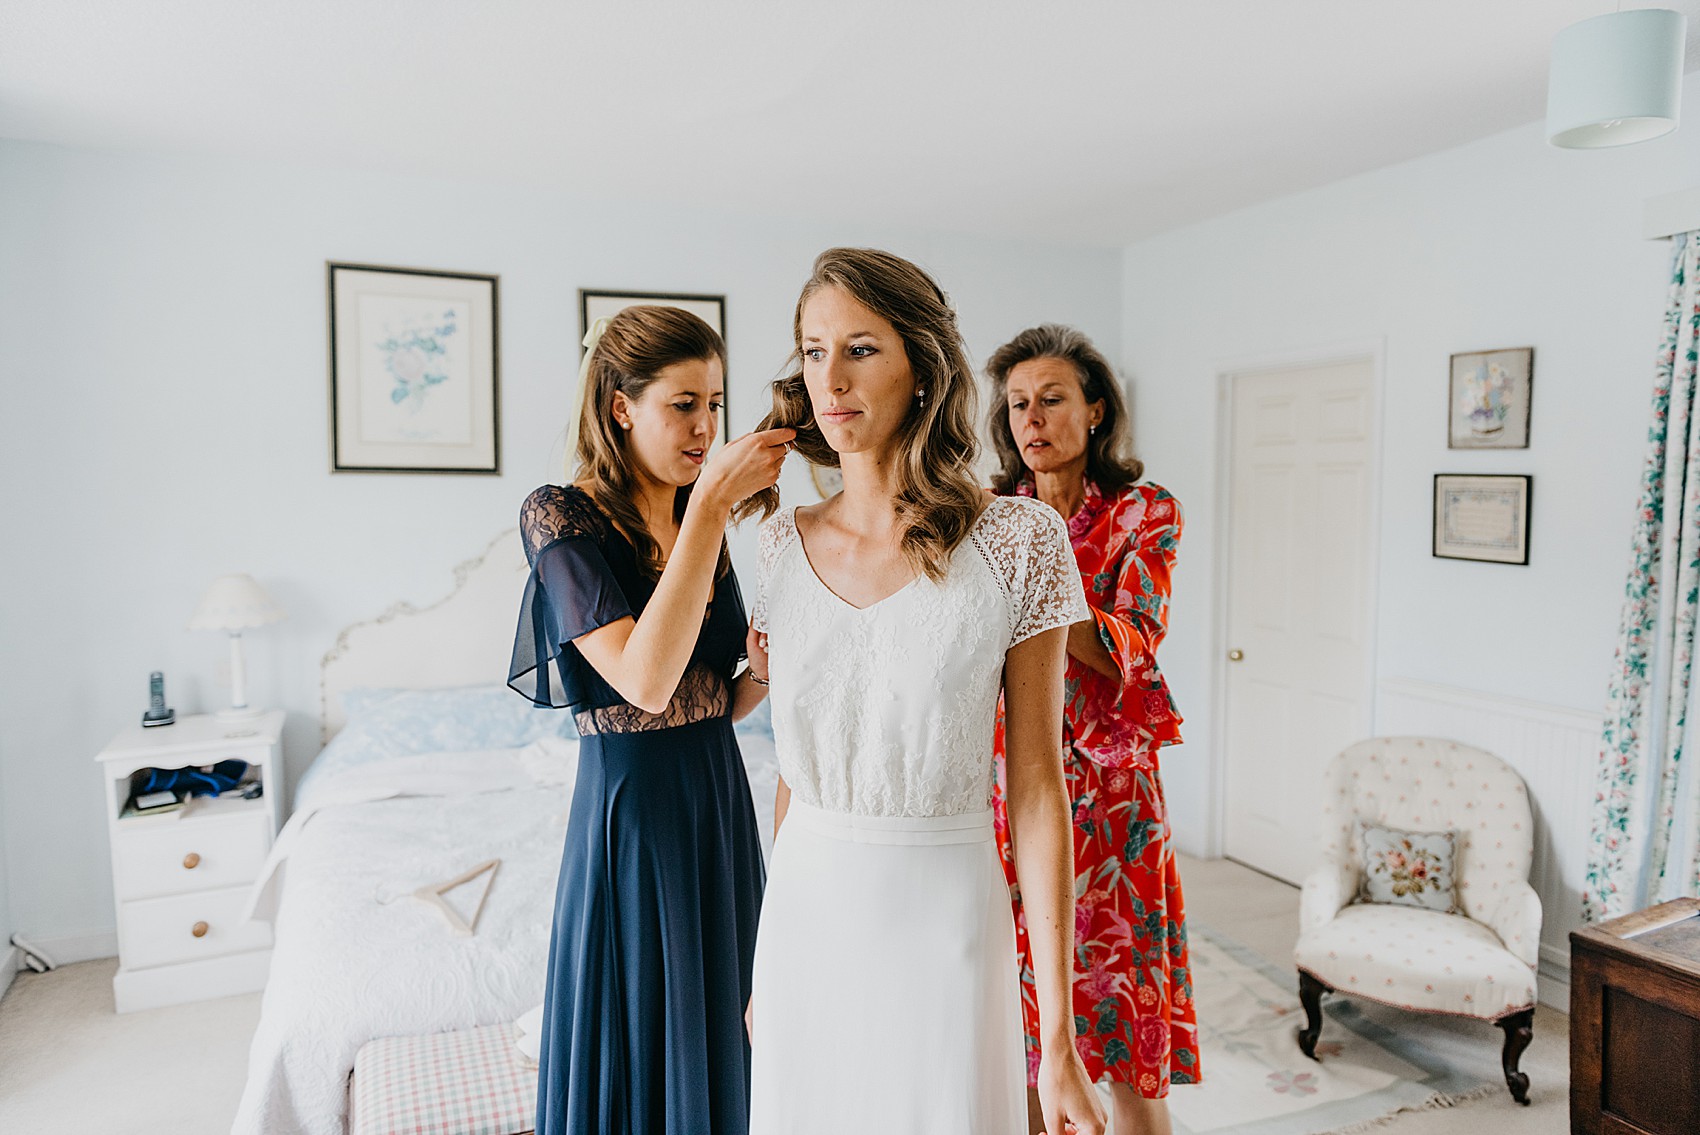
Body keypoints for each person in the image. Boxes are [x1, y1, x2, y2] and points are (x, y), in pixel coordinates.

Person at [738, 249, 1106, 1135]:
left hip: (944, 910)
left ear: (922, 367)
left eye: (860, 348)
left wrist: (1058, 1038)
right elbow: (796, 770)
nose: (830, 378)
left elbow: (1036, 786)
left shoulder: (1020, 540)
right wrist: (762, 964)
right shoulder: (780, 545)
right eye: (812, 349)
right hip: (805, 918)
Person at [507, 305, 793, 1135]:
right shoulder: (561, 518)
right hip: (632, 810)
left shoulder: (696, 518)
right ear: (621, 404)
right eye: (684, 404)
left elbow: (713, 695)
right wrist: (708, 508)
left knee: (725, 1004)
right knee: (640, 1023)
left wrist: (763, 678)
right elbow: (644, 681)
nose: (707, 426)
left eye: (715, 403)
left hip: (717, 792)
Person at [985, 324, 1198, 1135]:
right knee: (1032, 1028)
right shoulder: (996, 520)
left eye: (1052, 399)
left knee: (1125, 1019)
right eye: (1016, 405)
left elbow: (1129, 641)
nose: (1032, 419)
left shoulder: (1148, 512)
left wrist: (1039, 571)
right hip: (1018, 790)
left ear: (1097, 410)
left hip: (1116, 805)